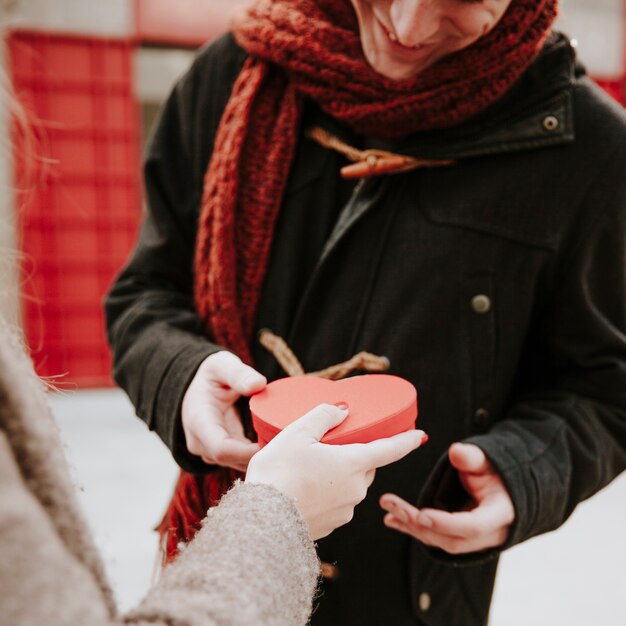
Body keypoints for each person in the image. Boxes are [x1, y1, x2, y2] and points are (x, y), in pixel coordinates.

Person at [105, 0, 626, 624]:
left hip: (413, 599)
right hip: (224, 574)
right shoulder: (236, 75)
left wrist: (523, 472)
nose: (405, 30)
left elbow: (606, 383)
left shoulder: (591, 147)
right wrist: (181, 378)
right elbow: (144, 295)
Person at [0, 314, 424, 626]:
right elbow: (140, 294)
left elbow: (143, 295)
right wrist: (278, 510)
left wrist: (495, 458)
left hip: (417, 584)